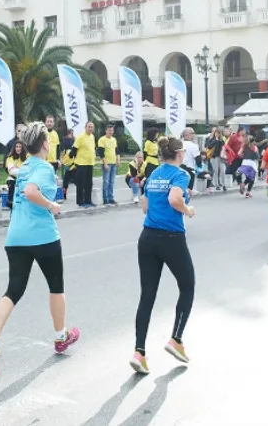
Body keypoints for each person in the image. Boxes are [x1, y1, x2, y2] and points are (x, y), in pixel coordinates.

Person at [0, 122, 80, 378]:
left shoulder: (23, 169)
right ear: (45, 144)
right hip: (42, 236)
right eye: (49, 140)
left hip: (16, 237)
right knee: (56, 286)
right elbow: (32, 192)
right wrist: (52, 205)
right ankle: (60, 337)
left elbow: (24, 190)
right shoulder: (43, 168)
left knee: (14, 290)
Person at [129, 136, 196, 374]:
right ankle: (176, 339)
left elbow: (145, 207)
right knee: (187, 286)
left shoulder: (154, 174)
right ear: (179, 154)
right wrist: (187, 210)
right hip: (171, 238)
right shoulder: (181, 175)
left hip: (147, 237)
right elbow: (174, 198)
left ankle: (139, 353)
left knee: (147, 295)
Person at [72, 121, 96, 208]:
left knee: (89, 184)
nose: (90, 128)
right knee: (81, 184)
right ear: (85, 127)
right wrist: (73, 161)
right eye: (89, 127)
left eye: (91, 127)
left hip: (90, 163)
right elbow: (74, 149)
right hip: (81, 164)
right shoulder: (81, 137)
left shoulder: (92, 137)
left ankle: (88, 200)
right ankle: (80, 202)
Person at [98, 125, 119, 205]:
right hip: (107, 164)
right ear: (105, 131)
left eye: (112, 130)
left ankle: (111, 198)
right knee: (106, 182)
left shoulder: (114, 139)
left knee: (112, 181)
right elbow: (101, 152)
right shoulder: (102, 139)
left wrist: (118, 160)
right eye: (109, 130)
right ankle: (105, 199)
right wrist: (105, 163)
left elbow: (117, 150)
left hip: (113, 163)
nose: (110, 132)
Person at [5, 140, 27, 210]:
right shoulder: (10, 158)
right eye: (16, 147)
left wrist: (17, 168)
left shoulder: (27, 158)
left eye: (20, 147)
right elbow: (11, 171)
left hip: (24, 184)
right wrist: (23, 170)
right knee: (14, 205)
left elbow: (29, 170)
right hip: (13, 182)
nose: (18, 148)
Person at [204, 127, 226, 191]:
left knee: (222, 171)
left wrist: (219, 140)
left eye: (218, 133)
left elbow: (224, 147)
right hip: (214, 157)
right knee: (216, 171)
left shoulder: (222, 140)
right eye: (216, 132)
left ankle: (224, 184)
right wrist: (215, 140)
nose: (217, 134)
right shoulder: (211, 139)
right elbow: (209, 146)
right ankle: (217, 185)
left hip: (221, 157)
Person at [180, 127, 202, 194]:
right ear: (189, 134)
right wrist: (200, 166)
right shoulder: (194, 146)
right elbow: (198, 159)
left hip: (178, 168)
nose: (194, 135)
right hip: (190, 169)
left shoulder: (179, 144)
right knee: (189, 189)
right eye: (193, 133)